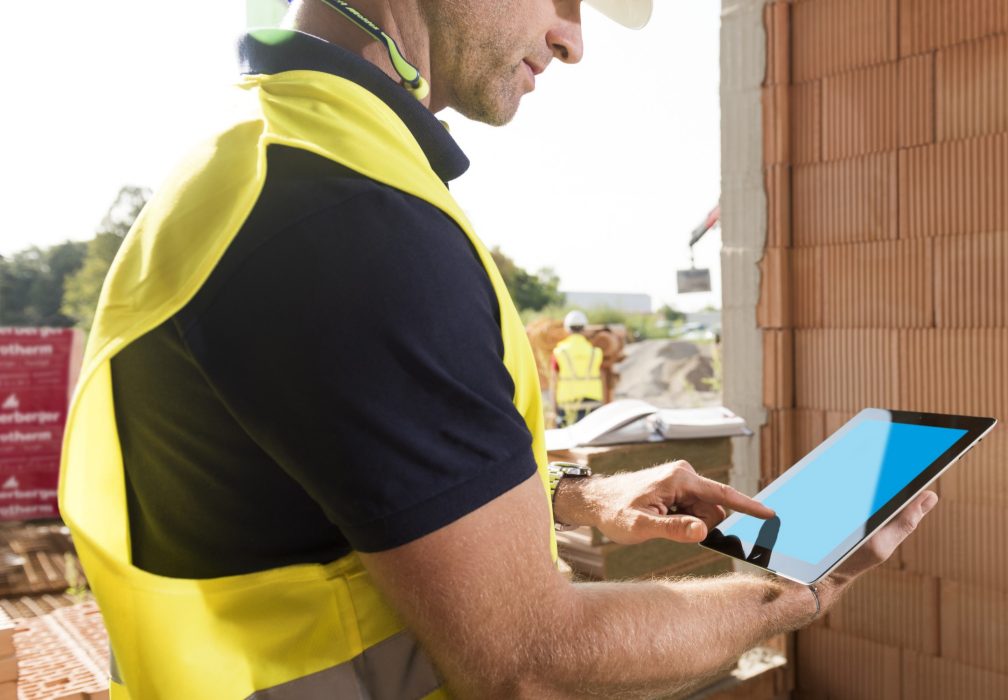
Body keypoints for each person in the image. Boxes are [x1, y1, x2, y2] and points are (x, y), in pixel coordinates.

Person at [57, 0, 941, 697]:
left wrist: (570, 497)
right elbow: (530, 663)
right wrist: (805, 587)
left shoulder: (273, 162)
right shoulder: (347, 219)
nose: (572, 38)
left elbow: (346, 481)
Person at [552, 309, 605, 425]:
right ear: (584, 328)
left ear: (567, 328)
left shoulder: (559, 352)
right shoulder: (595, 353)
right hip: (593, 404)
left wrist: (553, 408)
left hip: (567, 405)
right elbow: (602, 378)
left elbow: (554, 381)